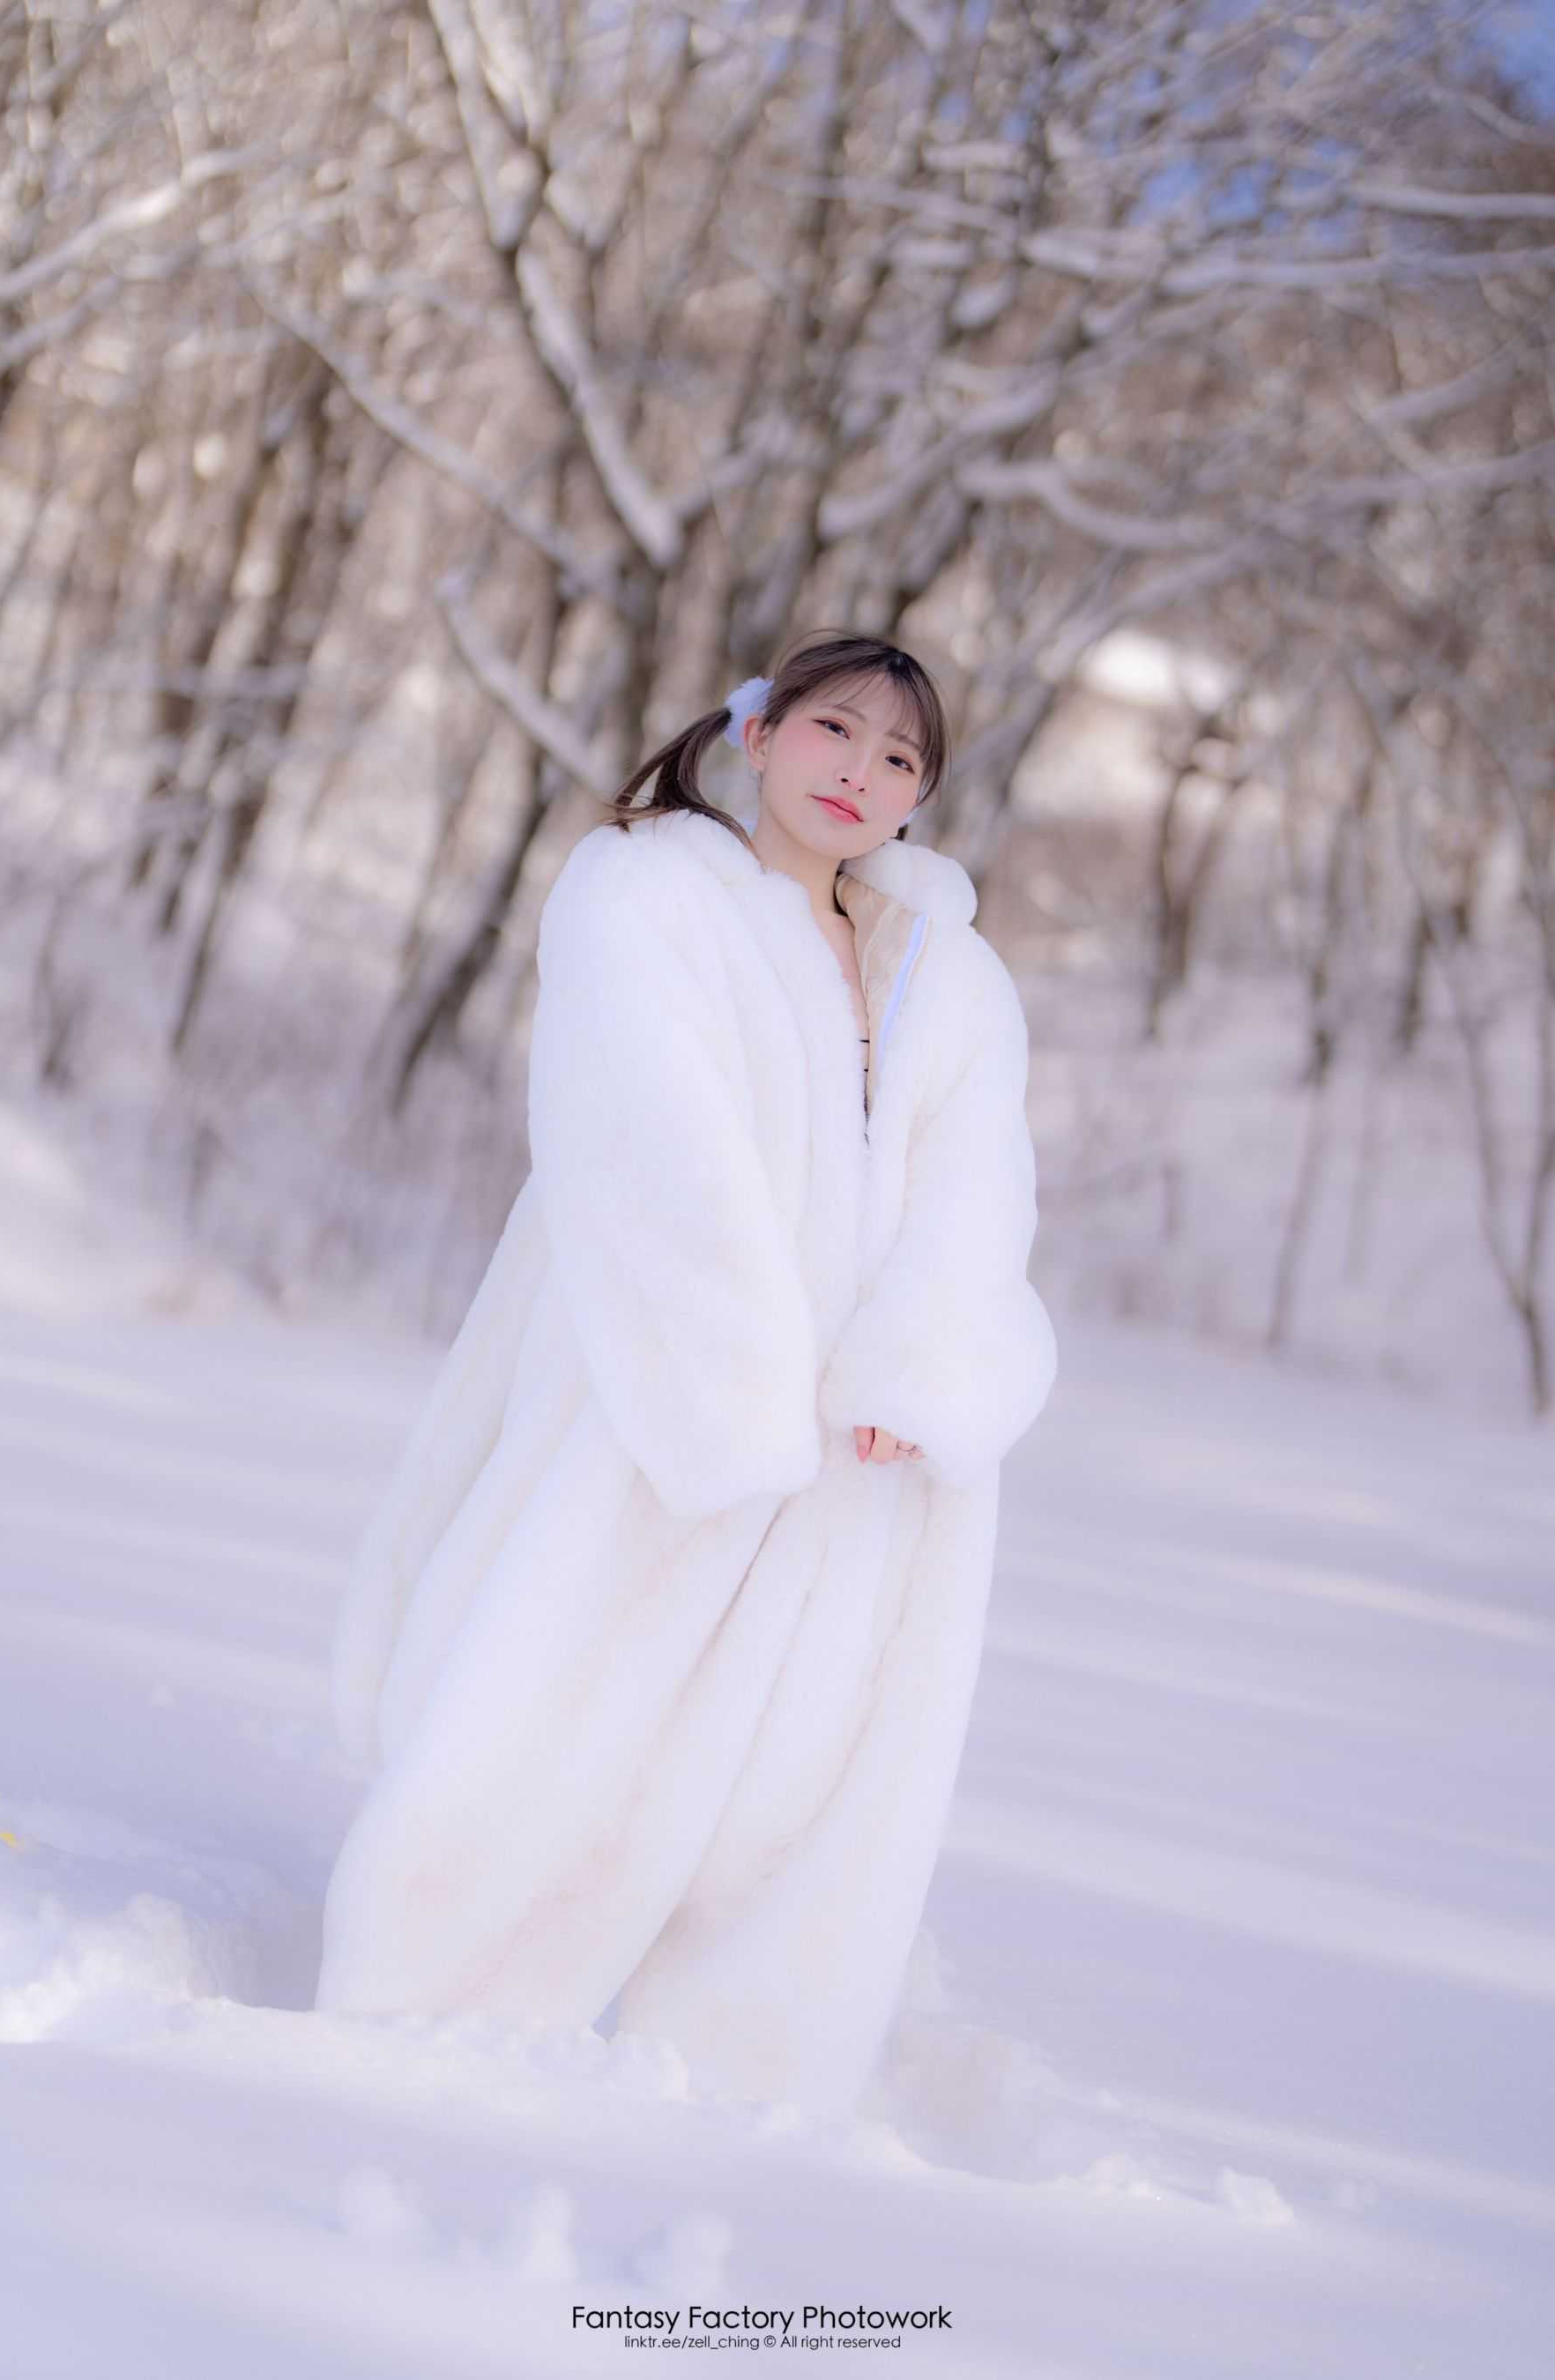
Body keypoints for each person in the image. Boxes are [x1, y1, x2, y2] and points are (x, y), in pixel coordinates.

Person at [314, 628, 1058, 2117]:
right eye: (834, 730)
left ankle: (741, 2085)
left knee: (808, 1774)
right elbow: (645, 1137)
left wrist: (917, 1374)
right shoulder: (645, 892)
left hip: (862, 1444)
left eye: (899, 757)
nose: (860, 773)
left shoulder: (955, 979)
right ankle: (412, 2017)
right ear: (759, 730)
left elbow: (982, 1188)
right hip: (663, 1389)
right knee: (558, 1694)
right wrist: (736, 1390)